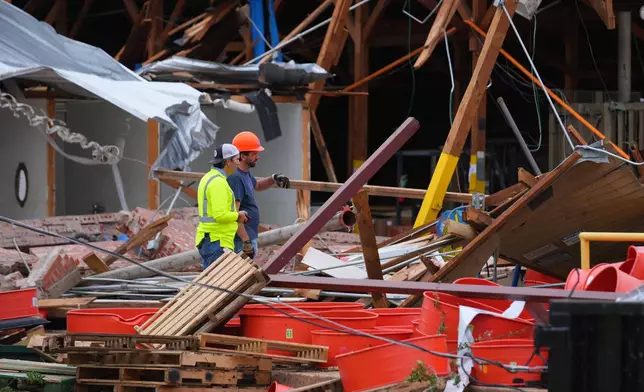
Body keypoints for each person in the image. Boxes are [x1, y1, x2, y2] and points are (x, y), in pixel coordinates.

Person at [228, 131, 290, 259]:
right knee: (242, 275)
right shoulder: (236, 178)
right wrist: (246, 241)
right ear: (243, 156)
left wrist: (273, 178)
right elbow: (235, 213)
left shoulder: (245, 174)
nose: (258, 157)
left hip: (248, 237)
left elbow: (258, 186)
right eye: (254, 153)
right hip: (241, 241)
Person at [195, 143, 249, 269]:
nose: (238, 162)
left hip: (212, 239)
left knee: (212, 283)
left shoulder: (209, 178)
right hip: (217, 241)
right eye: (236, 159)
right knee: (218, 285)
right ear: (228, 162)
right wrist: (238, 215)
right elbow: (220, 215)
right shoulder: (218, 183)